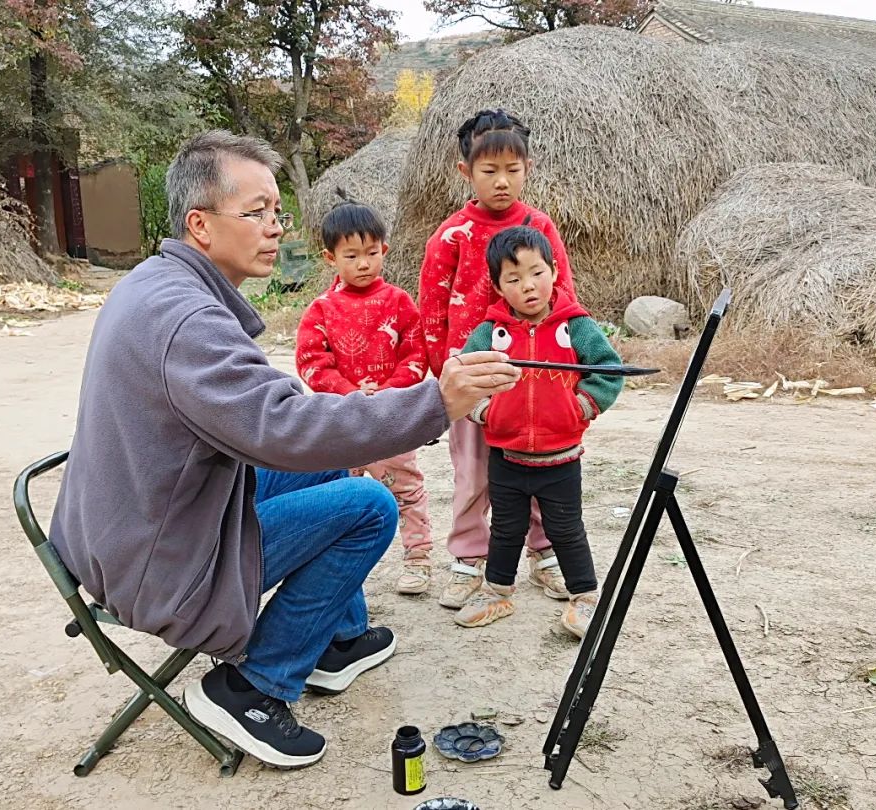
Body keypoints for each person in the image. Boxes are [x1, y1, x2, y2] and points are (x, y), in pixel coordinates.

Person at [49, 130, 520, 770]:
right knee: (371, 505)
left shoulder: (157, 283)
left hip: (134, 522)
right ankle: (250, 686)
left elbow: (264, 415)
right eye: (256, 212)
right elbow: (282, 426)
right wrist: (436, 402)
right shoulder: (186, 319)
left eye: (277, 211)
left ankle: (335, 640)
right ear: (201, 224)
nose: (275, 227)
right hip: (160, 560)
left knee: (328, 462)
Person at [417, 108, 578, 610]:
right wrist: (446, 372)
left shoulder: (539, 227)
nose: (502, 182)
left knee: (534, 465)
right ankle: (469, 556)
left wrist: (566, 364)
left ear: (527, 167)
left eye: (513, 170)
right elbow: (432, 307)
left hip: (532, 376)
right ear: (466, 172)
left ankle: (544, 550)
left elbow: (565, 293)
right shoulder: (451, 236)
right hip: (472, 378)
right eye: (489, 172)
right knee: (473, 471)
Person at [453, 224, 624, 638]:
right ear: (498, 285)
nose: (528, 286)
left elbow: (608, 370)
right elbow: (463, 373)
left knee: (566, 528)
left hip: (560, 458)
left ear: (554, 272)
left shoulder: (576, 325)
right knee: (507, 528)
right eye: (513, 279)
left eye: (537, 273)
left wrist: (580, 407)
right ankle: (496, 591)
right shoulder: (491, 333)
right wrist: (486, 411)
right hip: (507, 456)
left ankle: (585, 597)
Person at [295, 193, 433, 595]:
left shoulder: (399, 303)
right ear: (330, 257)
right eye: (352, 255)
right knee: (344, 494)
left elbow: (415, 353)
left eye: (371, 253)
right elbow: (310, 363)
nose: (363, 263)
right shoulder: (321, 310)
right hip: (344, 423)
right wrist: (353, 393)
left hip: (392, 420)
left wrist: (388, 391)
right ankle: (350, 570)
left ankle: (419, 559)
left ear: (384, 250)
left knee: (406, 488)